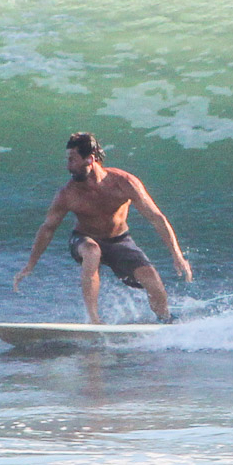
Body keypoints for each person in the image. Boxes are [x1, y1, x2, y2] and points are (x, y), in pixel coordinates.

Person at [13, 132, 192, 323]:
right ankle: (94, 320)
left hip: (120, 241)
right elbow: (47, 228)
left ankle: (165, 321)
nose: (68, 166)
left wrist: (177, 255)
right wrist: (30, 264)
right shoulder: (68, 194)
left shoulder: (123, 183)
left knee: (154, 283)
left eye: (72, 160)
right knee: (92, 251)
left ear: (89, 159)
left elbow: (156, 218)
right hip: (83, 239)